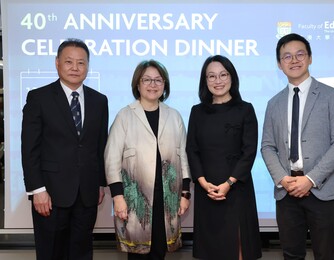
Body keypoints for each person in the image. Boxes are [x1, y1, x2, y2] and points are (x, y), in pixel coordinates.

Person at [261, 33, 334, 260]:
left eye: (300, 54)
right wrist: (283, 179)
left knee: (326, 254)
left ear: (310, 58)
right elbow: (267, 147)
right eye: (287, 56)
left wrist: (310, 179)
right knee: (291, 254)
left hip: (322, 190)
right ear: (279, 64)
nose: (294, 60)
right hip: (287, 190)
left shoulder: (332, 96)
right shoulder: (274, 103)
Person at [21, 38, 109, 259]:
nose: (75, 68)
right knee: (51, 251)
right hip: (49, 193)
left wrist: (100, 182)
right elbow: (29, 148)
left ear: (88, 66)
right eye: (69, 62)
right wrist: (37, 190)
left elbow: (100, 145)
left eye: (81, 63)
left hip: (87, 193)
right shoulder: (38, 98)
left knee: (81, 251)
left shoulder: (99, 100)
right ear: (57, 63)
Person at [104, 59, 191, 260]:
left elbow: (183, 157)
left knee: (160, 252)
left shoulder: (174, 116)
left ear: (165, 85)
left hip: (167, 200)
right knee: (137, 254)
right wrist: (118, 197)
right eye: (147, 80)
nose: (153, 85)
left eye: (158, 80)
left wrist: (185, 194)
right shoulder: (124, 116)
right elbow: (111, 159)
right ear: (137, 84)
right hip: (135, 202)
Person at [186, 55, 262, 260]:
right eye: (211, 76)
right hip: (206, 190)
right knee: (210, 249)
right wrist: (203, 183)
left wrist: (229, 182)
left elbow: (249, 152)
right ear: (205, 81)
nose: (217, 81)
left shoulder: (245, 109)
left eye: (223, 75)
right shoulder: (197, 111)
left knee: (238, 249)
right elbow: (191, 150)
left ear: (232, 77)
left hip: (236, 188)